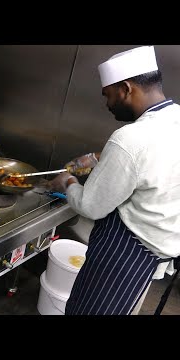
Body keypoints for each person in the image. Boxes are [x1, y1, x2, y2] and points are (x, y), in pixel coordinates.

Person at [48, 46, 180, 315]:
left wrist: (67, 181)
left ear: (127, 88)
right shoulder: (175, 116)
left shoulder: (128, 138)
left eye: (108, 95)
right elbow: (155, 160)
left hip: (124, 253)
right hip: (155, 253)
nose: (108, 105)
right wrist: (99, 157)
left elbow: (90, 206)